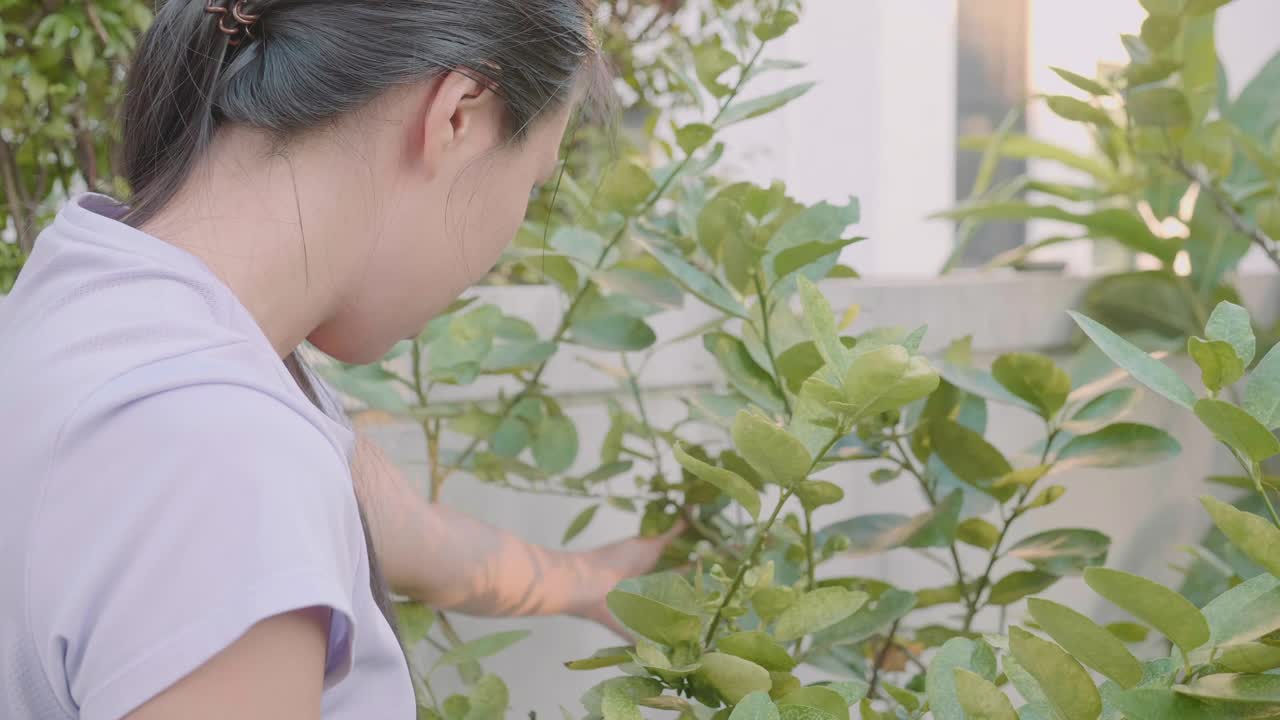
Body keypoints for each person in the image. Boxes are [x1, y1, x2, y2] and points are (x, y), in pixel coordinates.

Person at [0, 1, 680, 717]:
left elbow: (394, 526)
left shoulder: (93, 298)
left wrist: (588, 581)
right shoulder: (223, 455)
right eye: (533, 183)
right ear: (458, 114)